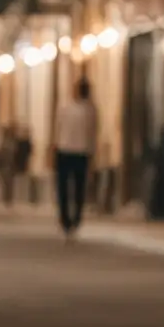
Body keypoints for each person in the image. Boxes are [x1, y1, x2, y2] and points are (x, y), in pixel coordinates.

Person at [53, 77, 98, 237]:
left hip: (71, 150)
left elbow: (57, 129)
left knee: (72, 187)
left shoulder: (78, 108)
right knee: (72, 187)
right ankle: (70, 219)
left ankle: (71, 219)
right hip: (74, 151)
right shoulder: (87, 110)